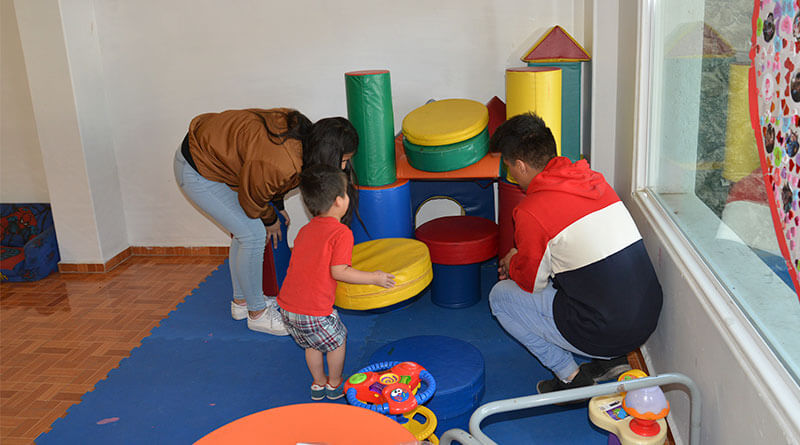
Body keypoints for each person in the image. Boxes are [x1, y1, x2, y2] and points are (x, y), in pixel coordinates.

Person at [488, 113, 663, 394]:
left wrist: (513, 262)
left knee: (501, 297)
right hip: (645, 318)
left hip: (608, 330)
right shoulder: (592, 180)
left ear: (520, 165)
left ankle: (570, 377)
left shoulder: (531, 209)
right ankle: (613, 360)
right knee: (577, 273)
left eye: (509, 168)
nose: (512, 176)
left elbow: (531, 283)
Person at [174, 108, 356, 335]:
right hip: (196, 168)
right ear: (328, 153)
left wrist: (278, 207)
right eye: (344, 160)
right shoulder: (282, 161)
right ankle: (257, 315)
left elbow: (267, 178)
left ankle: (242, 304)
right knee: (253, 234)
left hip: (210, 157)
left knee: (245, 232)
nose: (342, 167)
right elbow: (252, 199)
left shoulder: (302, 141)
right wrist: (270, 220)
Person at [277, 164, 395, 400]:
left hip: (287, 307)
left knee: (311, 345)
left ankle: (318, 384)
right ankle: (334, 384)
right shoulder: (341, 233)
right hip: (315, 311)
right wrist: (375, 278)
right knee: (337, 342)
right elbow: (339, 271)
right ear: (340, 201)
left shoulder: (305, 231)